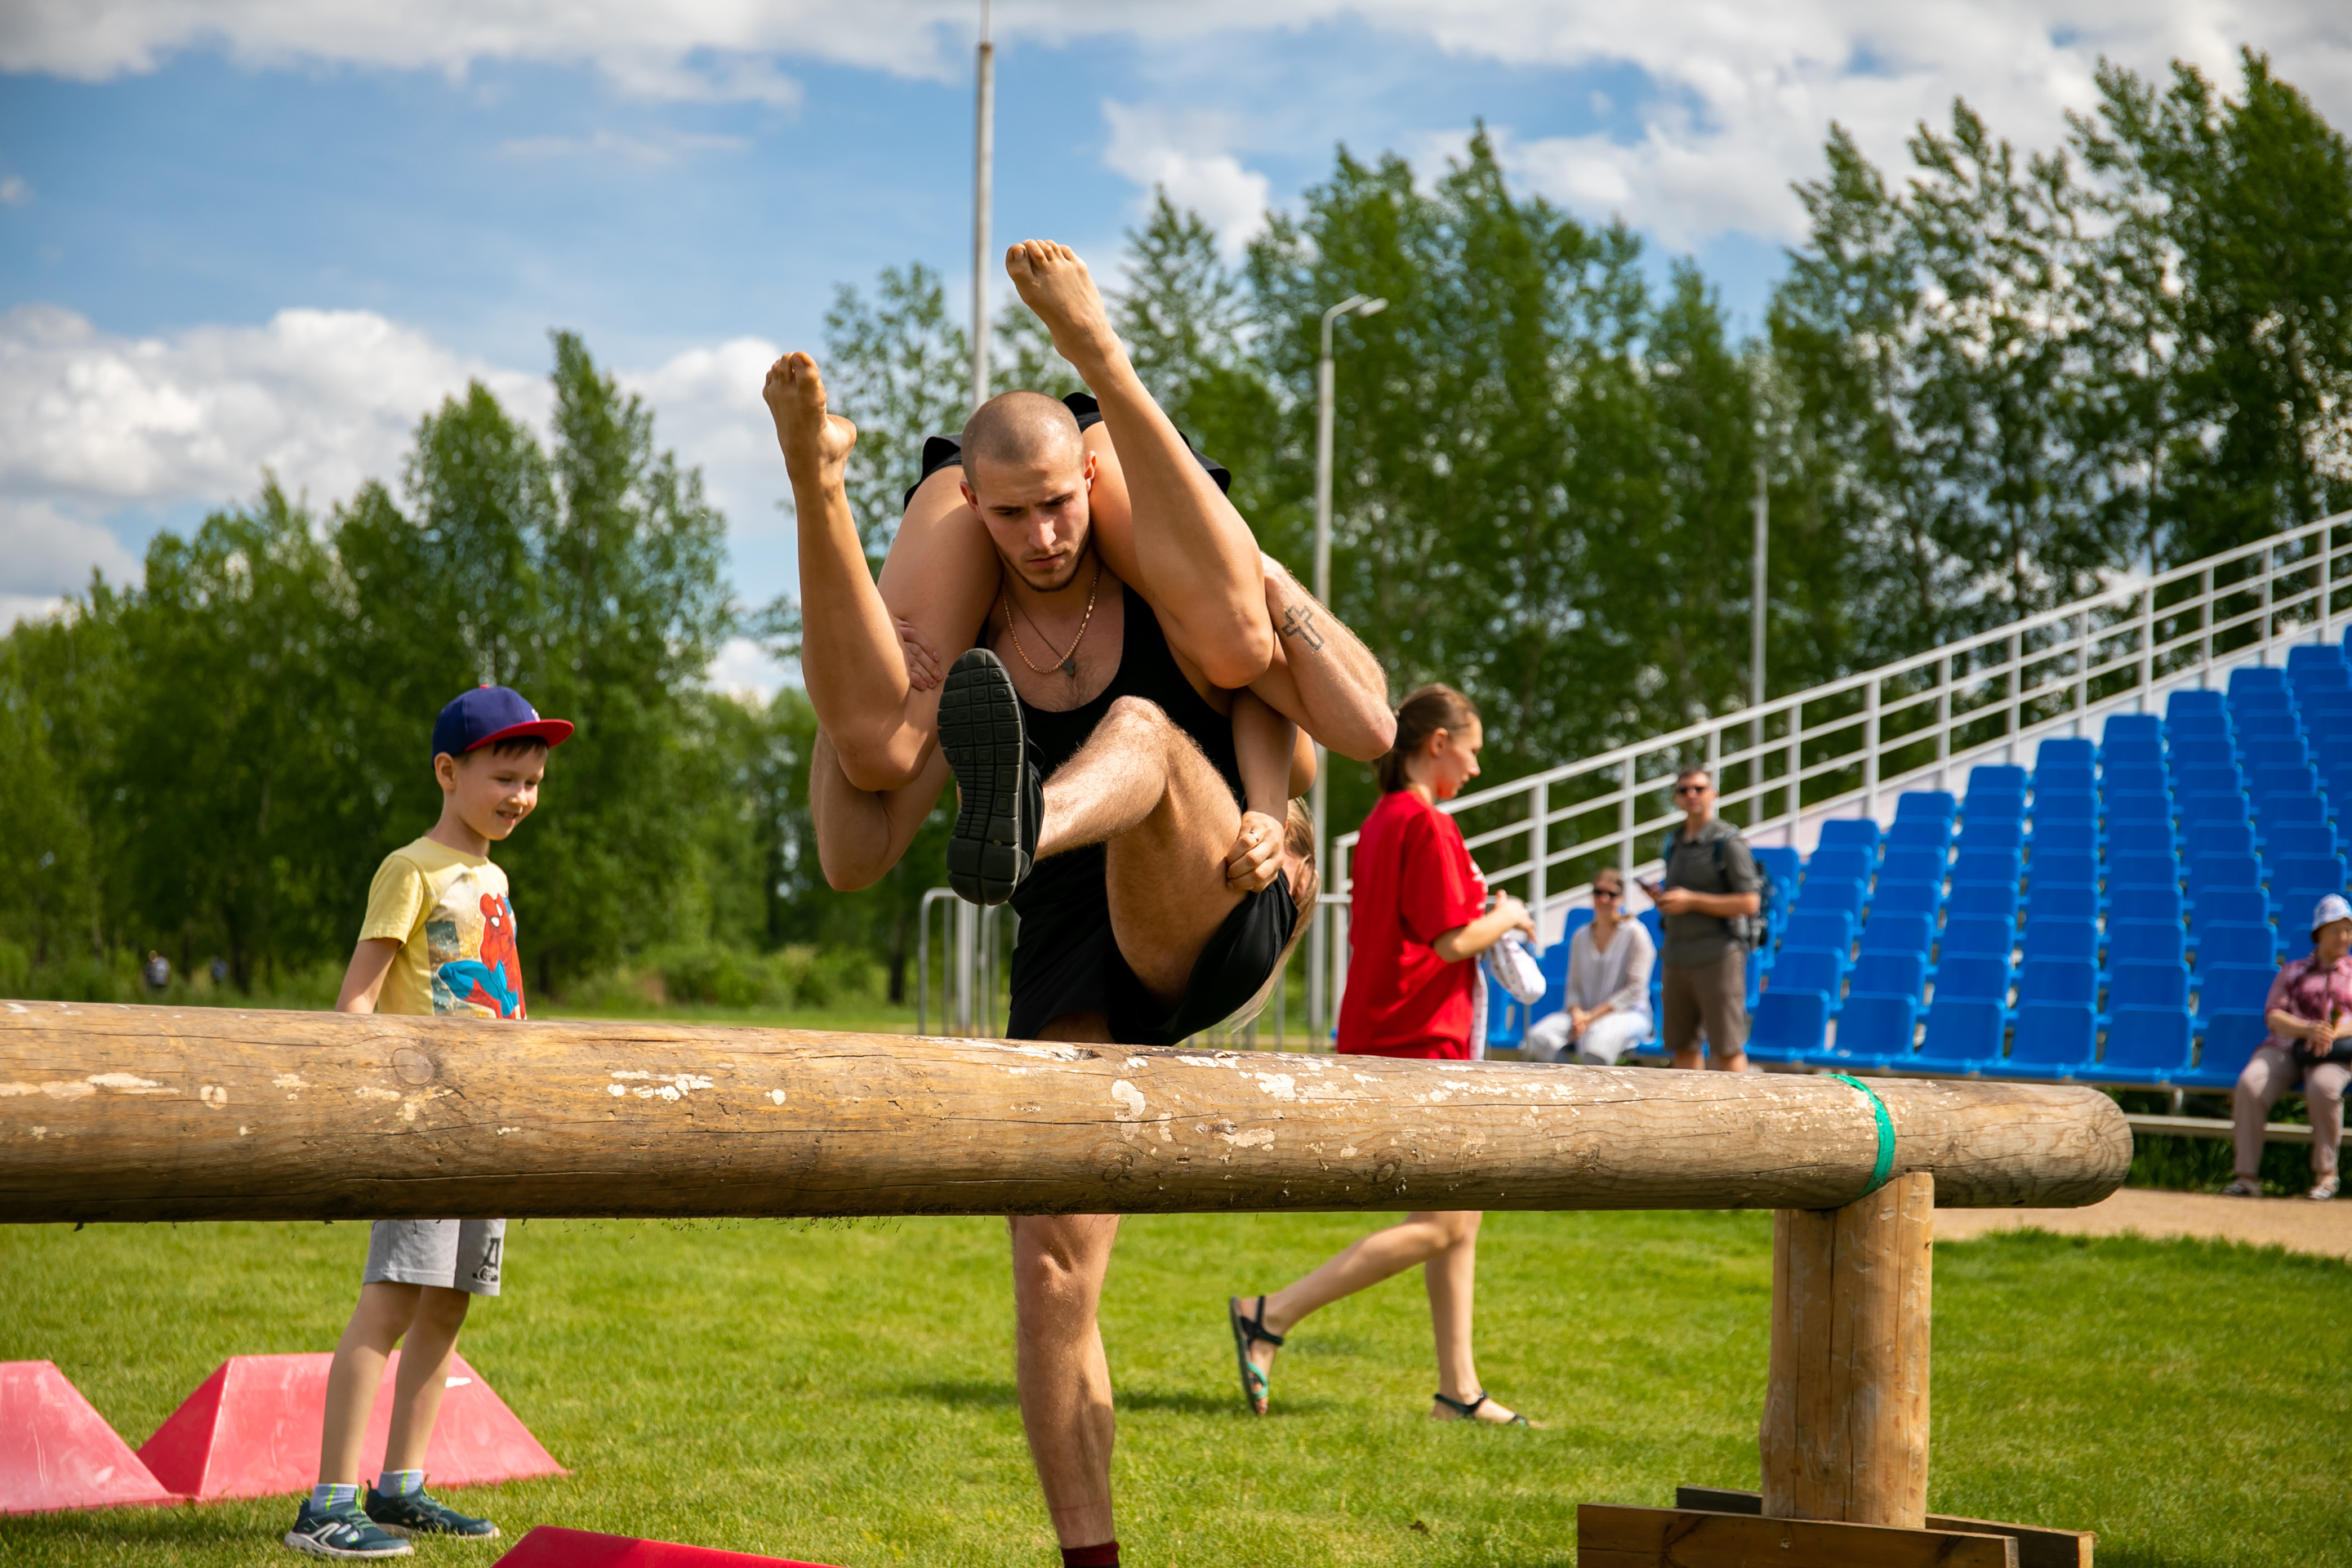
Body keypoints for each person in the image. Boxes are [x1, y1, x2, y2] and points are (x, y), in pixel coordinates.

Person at [773, 240, 1395, 1568]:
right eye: (1010, 517)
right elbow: (854, 841)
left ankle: (1030, 823)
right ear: (977, 511)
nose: (1045, 539)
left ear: (1091, 484)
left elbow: (1367, 720)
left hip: (1221, 906)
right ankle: (1089, 1560)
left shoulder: (1184, 589)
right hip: (1069, 934)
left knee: (1144, 731)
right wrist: (828, 518)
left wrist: (1270, 764)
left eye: (1062, 506)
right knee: (1053, 1264)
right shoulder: (985, 627)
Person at [283, 684, 570, 1561]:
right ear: (449, 772)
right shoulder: (409, 869)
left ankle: (399, 1488)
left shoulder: (496, 877)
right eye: (505, 776)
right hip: (421, 1126)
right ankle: (327, 1504)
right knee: (391, 1304)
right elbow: (359, 997)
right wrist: (361, 1104)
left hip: (490, 1128)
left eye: (533, 781)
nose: (520, 795)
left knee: (448, 1307)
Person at [1225, 685, 1536, 1427]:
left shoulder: (1383, 821)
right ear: (1436, 744)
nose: (1477, 767)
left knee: (1458, 1219)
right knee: (1447, 1223)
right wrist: (1508, 917)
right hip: (1419, 1041)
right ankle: (1269, 1315)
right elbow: (1450, 942)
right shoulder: (1425, 824)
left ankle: (1458, 1392)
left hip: (1395, 1033)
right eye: (1473, 750)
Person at [2221, 893, 2352, 1202]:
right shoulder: (2293, 971)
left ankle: (2326, 1176)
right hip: (2286, 1047)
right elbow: (2274, 1015)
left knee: (2323, 1089)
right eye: (2337, 929)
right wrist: (2306, 1029)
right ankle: (2245, 1177)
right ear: (2319, 933)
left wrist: (2331, 1034)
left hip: (2335, 1053)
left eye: (2348, 930)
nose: (2344, 937)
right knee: (2250, 1085)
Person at [1651, 767, 1761, 1072]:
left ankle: (1741, 1117)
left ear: (1713, 794)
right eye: (1684, 790)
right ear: (1676, 798)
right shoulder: (1673, 842)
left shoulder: (1728, 842)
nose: (1691, 795)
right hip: (1676, 955)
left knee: (1727, 1049)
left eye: (1698, 788)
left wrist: (1692, 900)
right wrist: (1667, 901)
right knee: (1682, 1048)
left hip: (1718, 956)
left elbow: (1750, 902)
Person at [1522, 866, 1655, 1064]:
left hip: (1627, 1015)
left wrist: (1592, 1016)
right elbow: (1573, 987)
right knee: (1538, 1038)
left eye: (1611, 894)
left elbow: (1635, 989)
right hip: (1582, 1016)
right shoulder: (1580, 936)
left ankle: (1596, 1094)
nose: (1604, 899)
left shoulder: (1637, 934)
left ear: (1622, 897)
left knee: (1595, 1045)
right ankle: (1570, 1086)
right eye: (1598, 892)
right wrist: (1578, 1015)